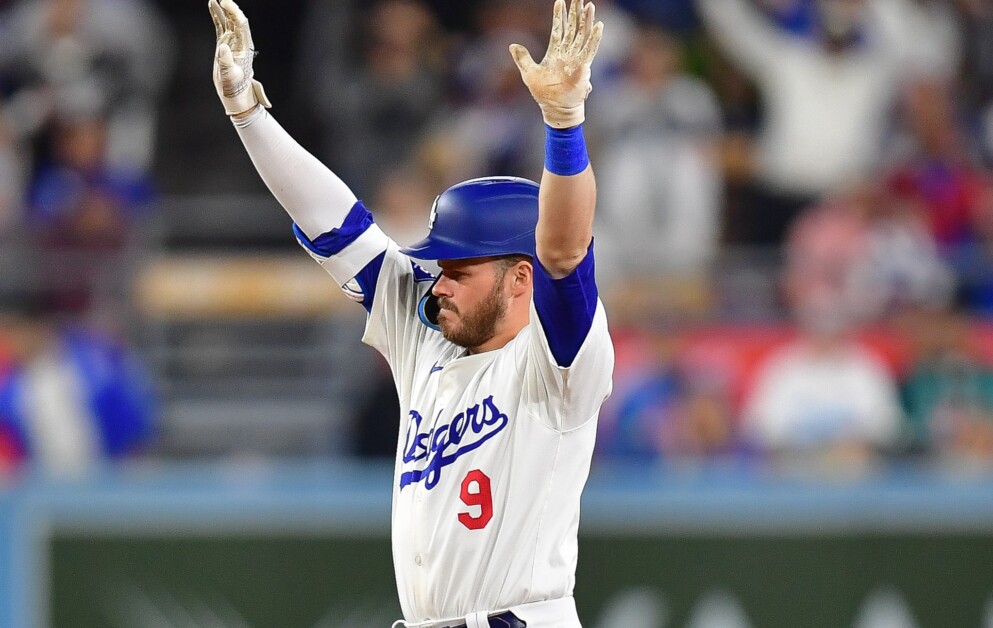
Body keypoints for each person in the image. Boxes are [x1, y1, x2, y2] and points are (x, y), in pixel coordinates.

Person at [208, 1, 613, 626]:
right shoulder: (426, 333)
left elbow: (563, 250)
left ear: (518, 281)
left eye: (459, 271)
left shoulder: (557, 362)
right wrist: (248, 115)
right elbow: (338, 227)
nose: (439, 285)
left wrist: (563, 123)